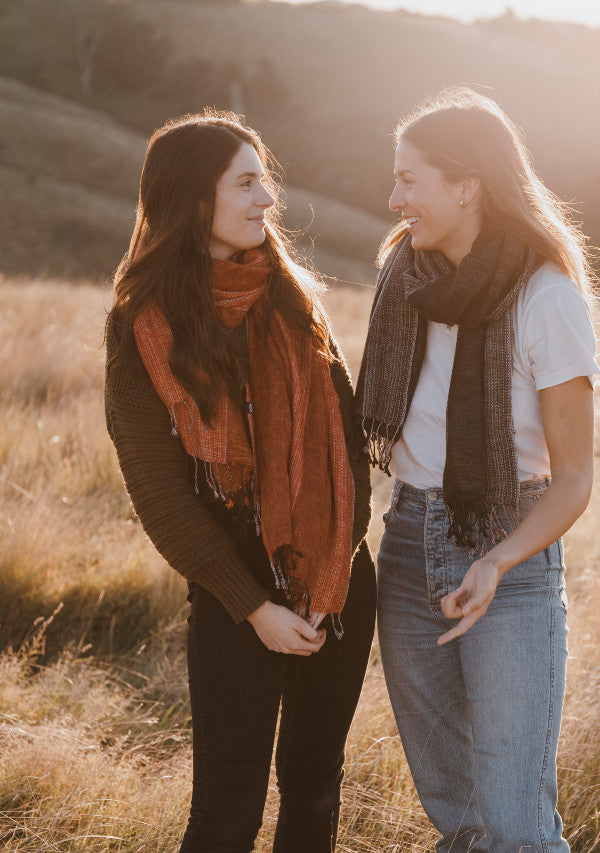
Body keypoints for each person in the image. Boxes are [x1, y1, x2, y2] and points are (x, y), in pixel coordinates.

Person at [104, 110, 375, 853]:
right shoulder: (143, 326)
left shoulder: (295, 303)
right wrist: (254, 605)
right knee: (227, 813)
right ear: (195, 199)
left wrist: (333, 569)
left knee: (314, 791)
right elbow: (158, 493)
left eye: (266, 182)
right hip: (234, 592)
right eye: (246, 182)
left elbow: (348, 452)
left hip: (336, 585)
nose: (267, 200)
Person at [357, 87, 600, 852]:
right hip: (405, 545)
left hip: (508, 553)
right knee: (454, 809)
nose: (394, 198)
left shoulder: (545, 296)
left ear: (466, 186)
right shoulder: (407, 278)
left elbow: (573, 478)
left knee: (515, 823)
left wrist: (495, 559)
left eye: (409, 179)